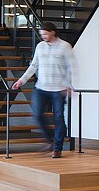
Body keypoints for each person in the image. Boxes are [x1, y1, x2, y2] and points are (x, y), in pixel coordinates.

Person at [11, 22, 78, 158]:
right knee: (37, 114)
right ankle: (49, 140)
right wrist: (21, 81)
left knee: (58, 118)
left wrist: (68, 85)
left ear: (53, 32)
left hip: (58, 89)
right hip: (41, 87)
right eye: (42, 34)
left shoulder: (65, 46)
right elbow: (33, 66)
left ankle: (57, 148)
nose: (43, 37)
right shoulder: (40, 46)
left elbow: (72, 67)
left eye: (46, 34)